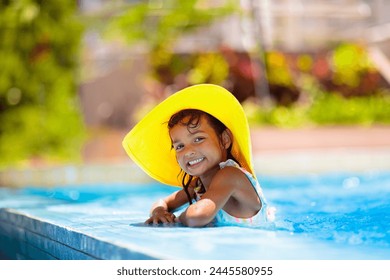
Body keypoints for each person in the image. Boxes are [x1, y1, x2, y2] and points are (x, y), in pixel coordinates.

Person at [122, 84, 275, 227]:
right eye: (180, 146)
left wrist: (175, 219)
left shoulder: (230, 175)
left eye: (198, 139)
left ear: (224, 139)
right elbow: (162, 202)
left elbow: (197, 216)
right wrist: (160, 212)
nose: (188, 151)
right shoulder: (197, 186)